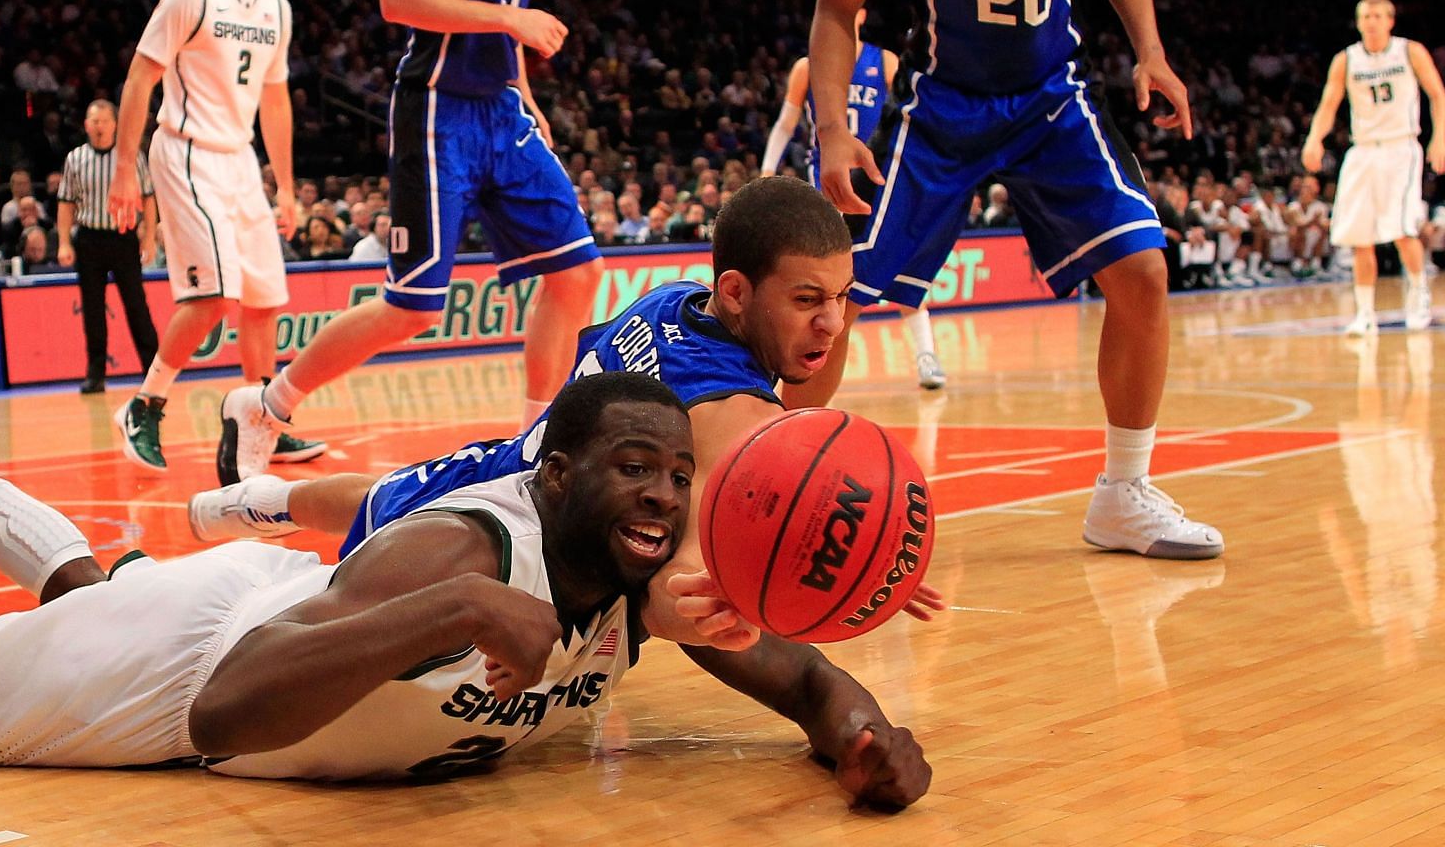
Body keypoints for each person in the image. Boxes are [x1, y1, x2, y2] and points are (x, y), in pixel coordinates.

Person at [0, 286, 927, 808]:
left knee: (84, 594)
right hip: (200, 671)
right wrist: (459, 607)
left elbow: (814, 680)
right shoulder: (461, 548)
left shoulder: (648, 580)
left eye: (677, 473)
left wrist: (871, 743)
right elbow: (227, 711)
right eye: (633, 468)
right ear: (553, 473)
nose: (664, 497)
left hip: (273, 624)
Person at [807, 0, 1220, 561]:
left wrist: (1150, 48)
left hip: (1050, 97)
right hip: (944, 104)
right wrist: (834, 128)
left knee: (1144, 275)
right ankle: (771, 484)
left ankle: (1123, 494)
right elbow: (837, 10)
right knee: (832, 296)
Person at [194, 177, 945, 644]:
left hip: (523, 463)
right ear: (739, 292)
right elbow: (708, 562)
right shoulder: (730, 415)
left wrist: (834, 303)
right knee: (325, 604)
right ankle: (240, 531)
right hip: (511, 529)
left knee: (379, 495)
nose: (833, 323)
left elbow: (800, 388)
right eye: (809, 300)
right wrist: (862, 567)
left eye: (844, 300)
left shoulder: (675, 300)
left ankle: (242, 504)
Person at [217, 0, 602, 484]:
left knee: (577, 272)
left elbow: (508, 6)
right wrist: (510, 26)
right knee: (414, 304)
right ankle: (268, 404)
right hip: (438, 109)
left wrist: (523, 87)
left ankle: (533, 445)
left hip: (501, 109)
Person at [106, 0, 323, 470]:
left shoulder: (276, 5)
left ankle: (260, 418)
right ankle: (145, 404)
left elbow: (275, 100)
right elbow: (139, 78)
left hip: (239, 158)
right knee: (215, 296)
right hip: (185, 150)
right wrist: (124, 168)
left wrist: (284, 185)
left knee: (264, 300)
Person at [761, 19, 947, 393]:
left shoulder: (886, 60)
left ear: (861, 14)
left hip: (876, 181)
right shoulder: (807, 66)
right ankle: (800, 367)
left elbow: (909, 117)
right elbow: (785, 124)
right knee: (821, 281)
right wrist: (767, 169)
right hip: (825, 188)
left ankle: (926, 354)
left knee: (897, 266)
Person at [1301, 0, 1445, 334]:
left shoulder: (1409, 51)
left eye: (1376, 16)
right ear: (1358, 22)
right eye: (1364, 16)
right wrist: (1314, 138)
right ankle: (1365, 313)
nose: (1370, 21)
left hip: (1401, 147)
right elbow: (1328, 105)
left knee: (1402, 231)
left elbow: (1438, 95)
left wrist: (1439, 137)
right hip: (1363, 150)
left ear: (1390, 20)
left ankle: (1418, 296)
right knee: (1360, 237)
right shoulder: (1346, 60)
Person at [57, 99, 159, 395]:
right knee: (92, 309)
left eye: (104, 121)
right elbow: (66, 203)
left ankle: (152, 371)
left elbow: (149, 197)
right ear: (86, 125)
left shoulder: (131, 158)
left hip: (123, 237)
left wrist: (149, 236)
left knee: (136, 305)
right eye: (94, 121)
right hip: (89, 238)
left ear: (115, 125)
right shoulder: (75, 159)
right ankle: (96, 374)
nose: (99, 126)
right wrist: (64, 241)